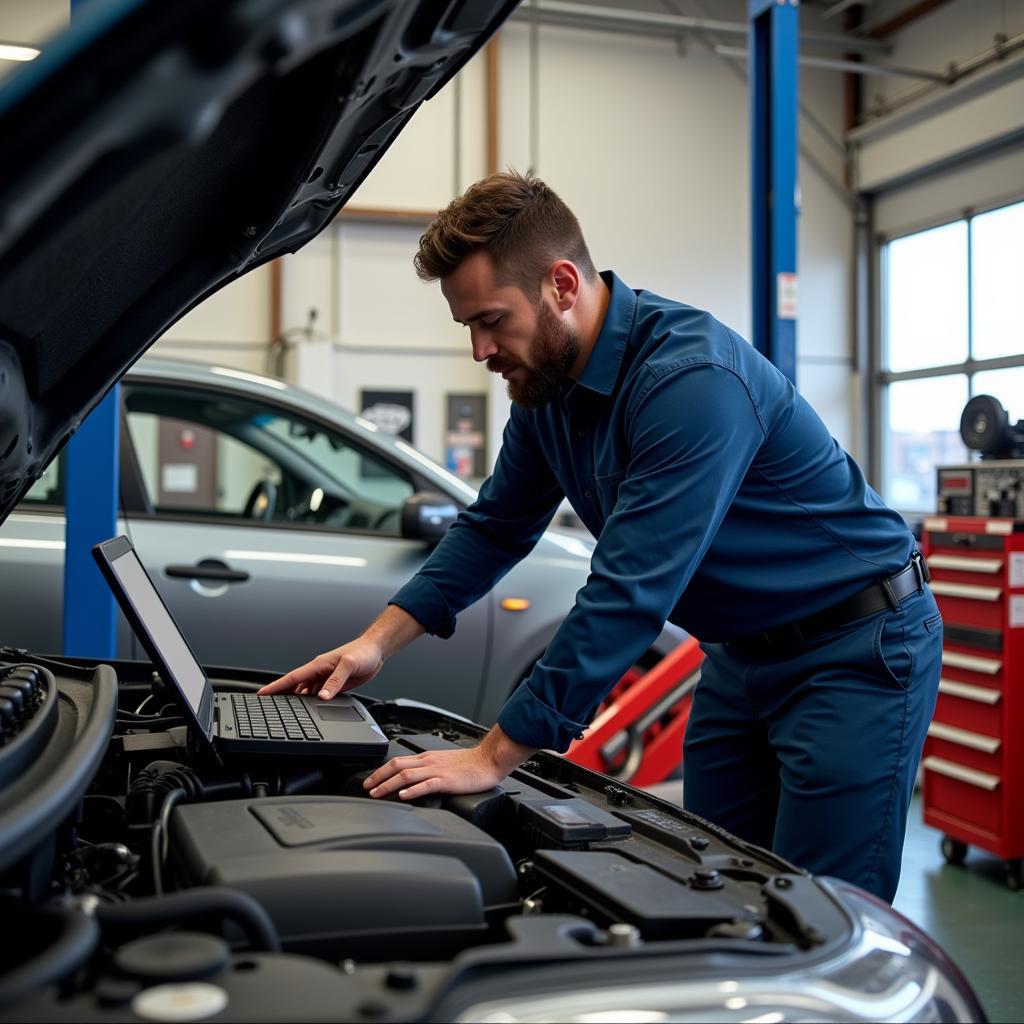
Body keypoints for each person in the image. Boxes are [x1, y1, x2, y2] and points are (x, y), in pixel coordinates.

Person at [260, 171, 942, 903]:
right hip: (743, 657)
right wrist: (376, 642)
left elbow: (627, 591)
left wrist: (495, 755)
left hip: (855, 649)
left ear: (561, 284)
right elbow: (495, 527)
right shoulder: (547, 391)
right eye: (467, 327)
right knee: (713, 888)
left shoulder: (690, 382)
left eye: (491, 319)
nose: (480, 350)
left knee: (826, 910)